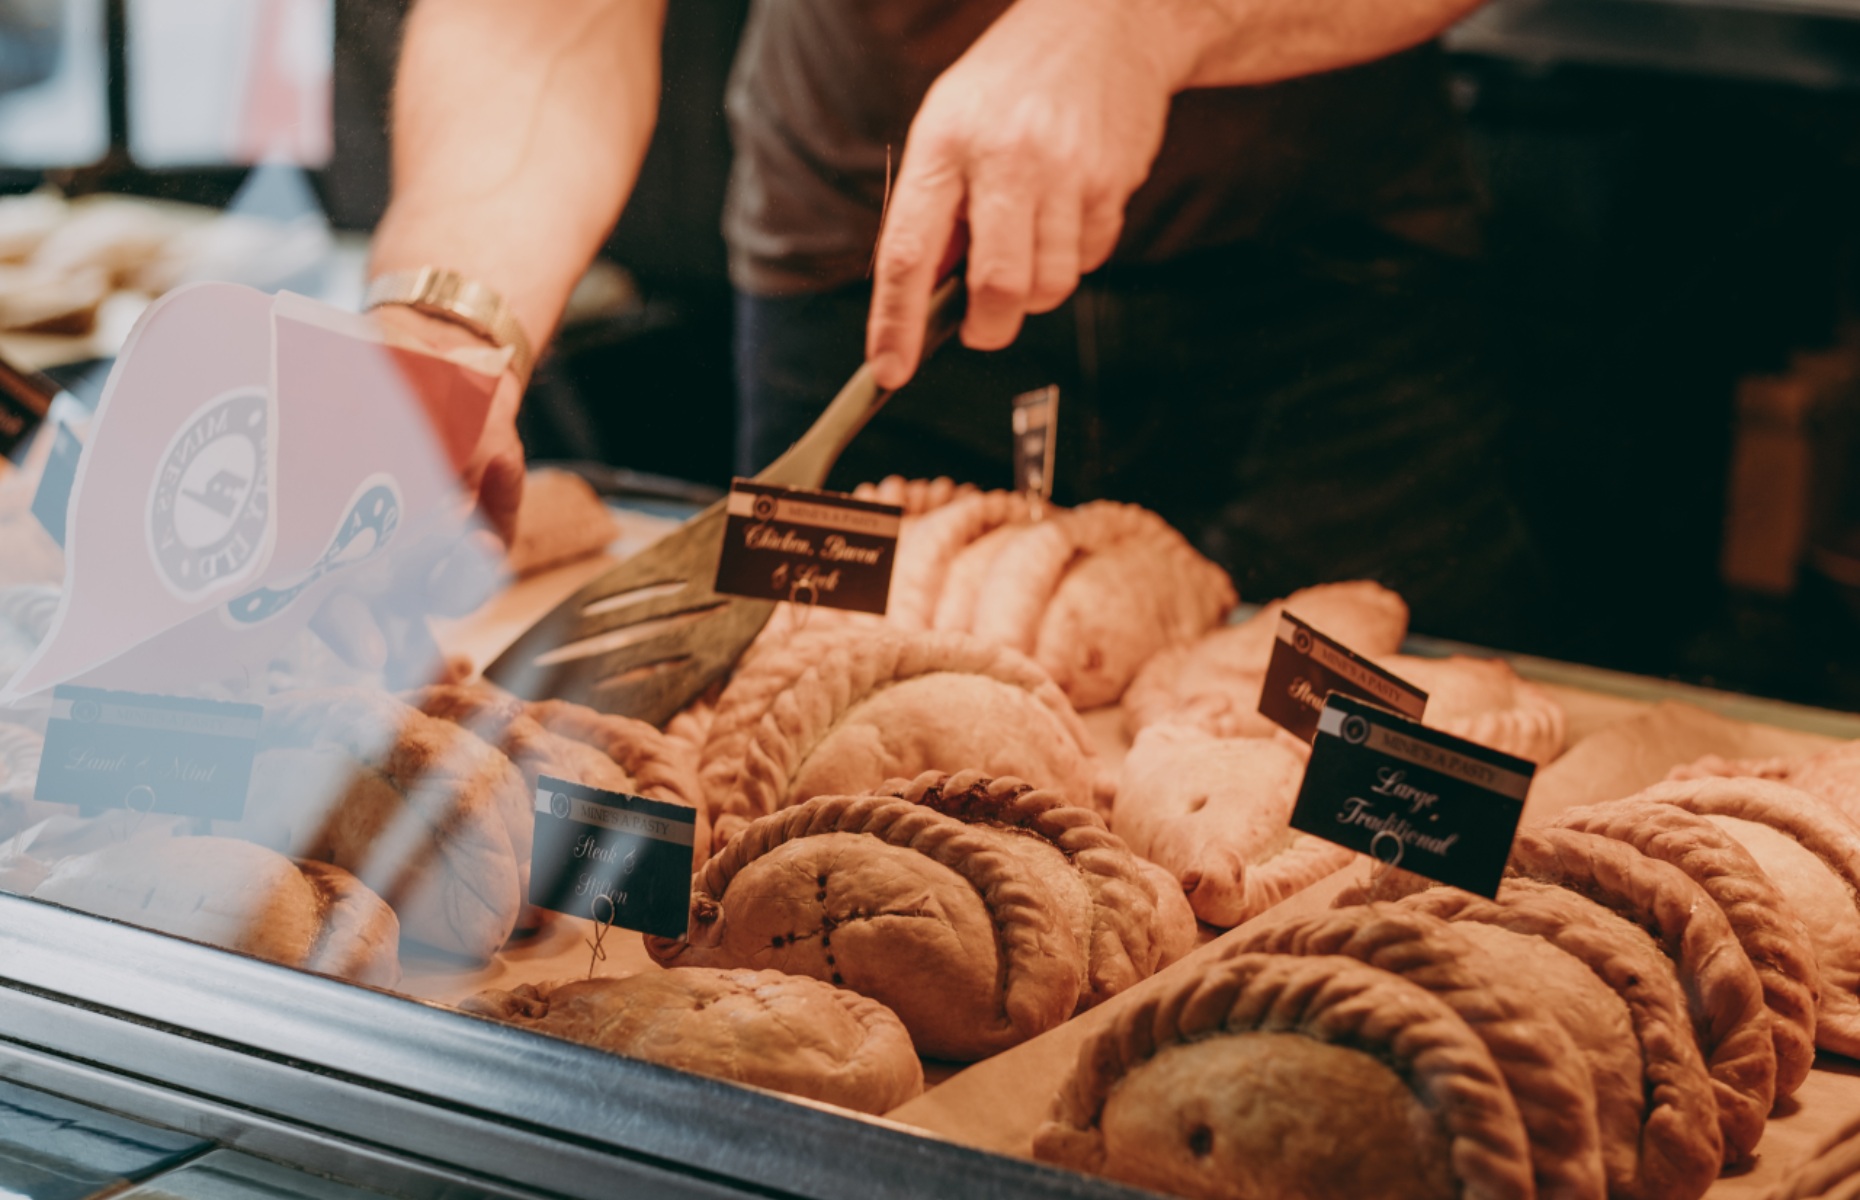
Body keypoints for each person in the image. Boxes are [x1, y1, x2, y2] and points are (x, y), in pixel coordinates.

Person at [368, 0, 1545, 645]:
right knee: (819, 796)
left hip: (1320, 285)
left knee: (1358, 833)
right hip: (871, 289)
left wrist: (1144, 22)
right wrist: (457, 312)